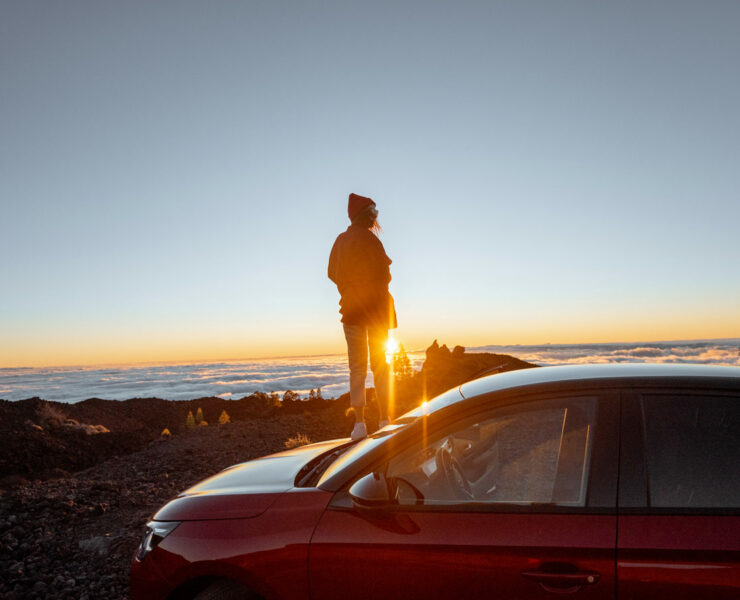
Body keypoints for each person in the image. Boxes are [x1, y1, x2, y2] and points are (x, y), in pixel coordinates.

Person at [328, 193, 397, 440]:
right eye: (374, 212)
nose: (376, 217)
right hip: (377, 311)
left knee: (356, 366)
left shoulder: (340, 242)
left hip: (352, 310)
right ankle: (385, 418)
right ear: (365, 214)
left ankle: (359, 425)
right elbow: (385, 276)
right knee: (381, 365)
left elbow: (332, 273)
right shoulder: (372, 242)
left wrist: (350, 289)